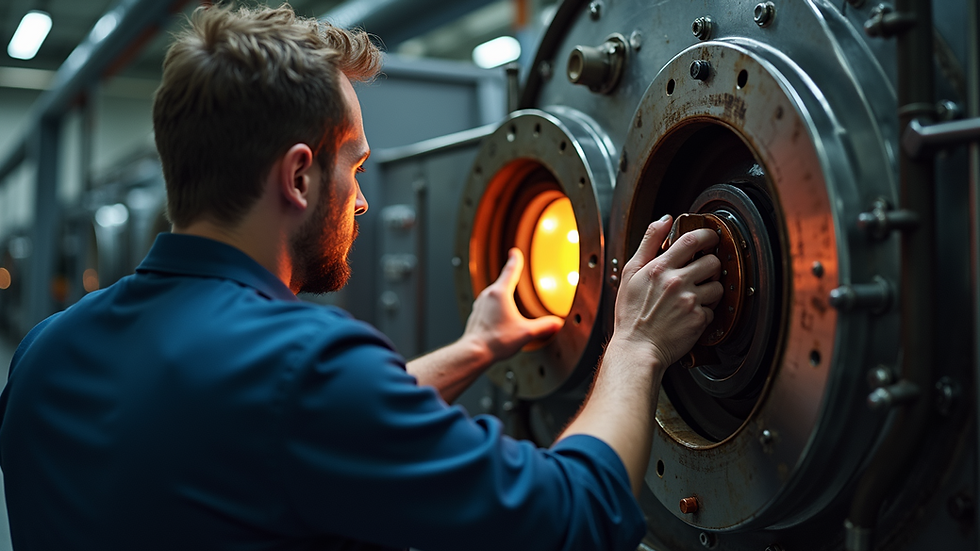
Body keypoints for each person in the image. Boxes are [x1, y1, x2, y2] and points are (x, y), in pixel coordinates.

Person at [0, 4, 723, 551]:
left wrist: (477, 346)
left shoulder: (44, 353)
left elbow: (270, 427)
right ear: (300, 175)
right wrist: (635, 343)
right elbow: (578, 516)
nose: (364, 199)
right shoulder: (305, 363)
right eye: (357, 167)